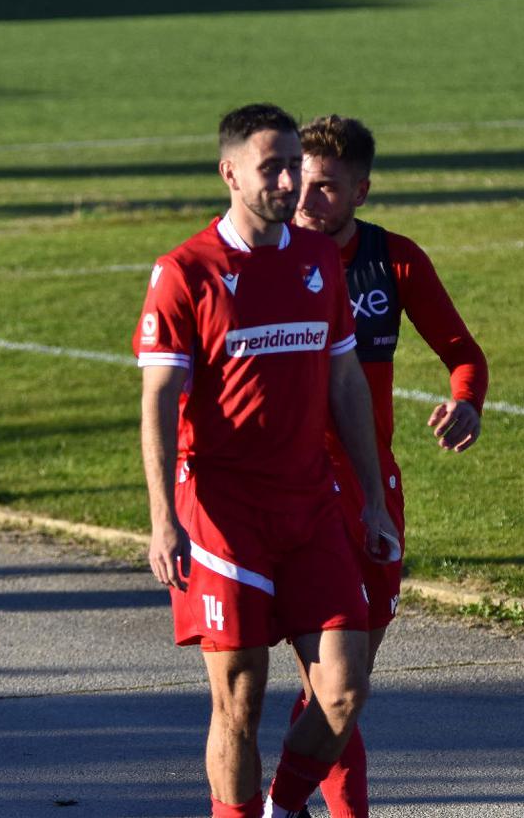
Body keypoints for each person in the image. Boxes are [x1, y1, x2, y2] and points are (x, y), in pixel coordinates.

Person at [133, 103, 400, 818]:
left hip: (310, 506)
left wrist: (373, 501)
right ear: (230, 173)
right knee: (240, 698)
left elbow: (345, 383)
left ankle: (284, 805)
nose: (289, 182)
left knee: (343, 690)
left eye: (294, 167)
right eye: (272, 168)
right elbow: (158, 402)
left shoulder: (317, 259)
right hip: (224, 516)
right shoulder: (185, 272)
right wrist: (163, 520)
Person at [291, 113, 489, 818]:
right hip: (294, 492)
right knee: (335, 688)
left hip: (373, 489)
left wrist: (466, 401)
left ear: (361, 191)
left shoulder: (393, 260)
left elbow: (463, 353)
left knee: (345, 685)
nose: (305, 199)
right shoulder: (269, 259)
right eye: (299, 182)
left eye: (325, 187)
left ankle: (287, 791)